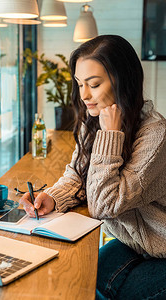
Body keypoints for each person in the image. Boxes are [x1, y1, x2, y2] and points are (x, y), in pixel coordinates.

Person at [20, 35, 166, 299]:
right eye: (79, 84)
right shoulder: (94, 120)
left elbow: (104, 204)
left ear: (124, 80)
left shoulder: (155, 134)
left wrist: (110, 135)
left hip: (162, 248)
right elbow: (77, 174)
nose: (84, 95)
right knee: (86, 280)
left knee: (114, 293)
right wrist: (52, 197)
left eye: (94, 84)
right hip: (132, 242)